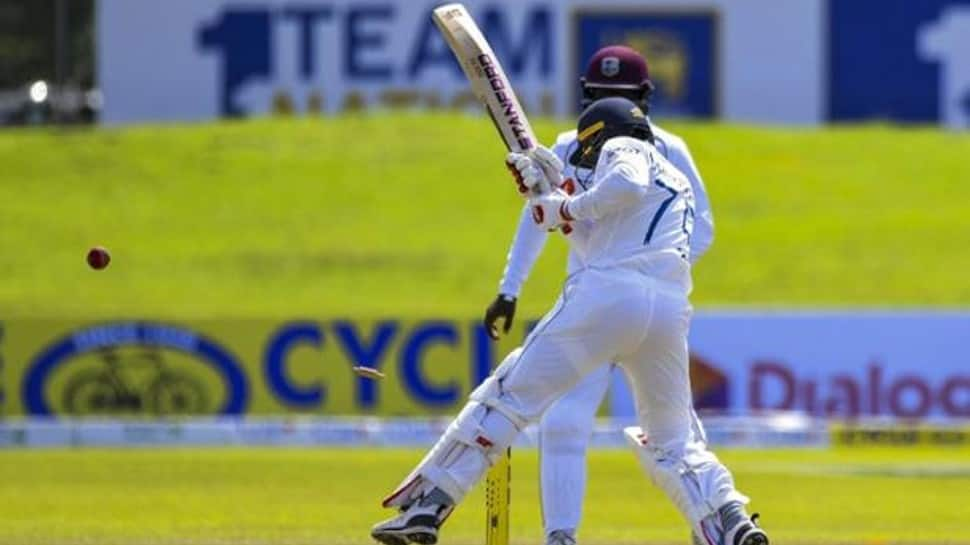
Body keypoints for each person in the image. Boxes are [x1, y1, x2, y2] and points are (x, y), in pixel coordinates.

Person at [371, 96, 768, 545]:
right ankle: (733, 521)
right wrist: (547, 191)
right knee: (673, 441)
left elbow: (625, 185)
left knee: (510, 395)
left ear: (602, 136)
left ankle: (430, 503)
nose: (588, 164)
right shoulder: (676, 179)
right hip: (667, 311)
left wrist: (562, 207)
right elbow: (597, 236)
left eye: (588, 155)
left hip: (608, 296)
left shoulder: (627, 148)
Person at [485, 45, 715, 545]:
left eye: (622, 97)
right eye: (604, 98)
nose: (613, 108)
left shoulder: (669, 148)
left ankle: (714, 525)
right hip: (588, 304)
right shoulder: (567, 145)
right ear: (588, 97)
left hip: (643, 300)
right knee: (564, 423)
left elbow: (704, 227)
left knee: (675, 434)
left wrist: (651, 267)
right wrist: (509, 288)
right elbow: (538, 215)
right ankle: (561, 537)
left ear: (645, 99)